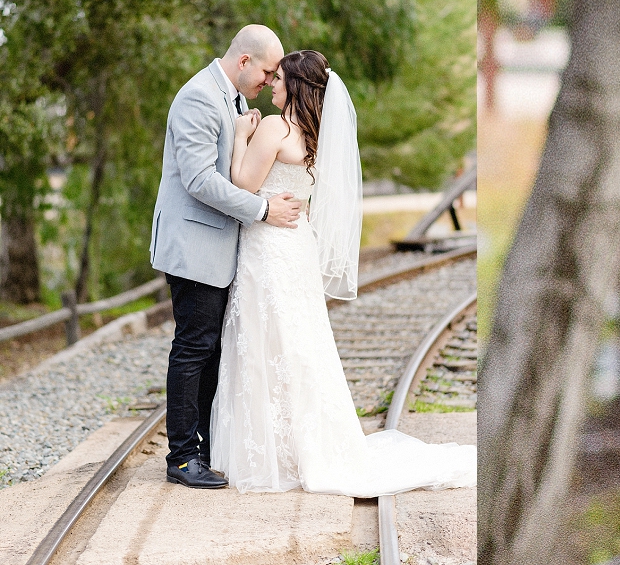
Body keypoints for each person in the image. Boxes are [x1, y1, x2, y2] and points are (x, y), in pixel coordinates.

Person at [214, 49, 477, 495]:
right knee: (298, 345)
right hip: (296, 248)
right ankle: (303, 446)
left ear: (294, 85)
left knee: (263, 340)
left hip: (267, 249)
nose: (272, 85)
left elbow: (243, 187)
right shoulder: (318, 137)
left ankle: (273, 452)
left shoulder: (275, 128)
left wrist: (240, 135)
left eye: (278, 79)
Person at [149, 26, 303, 490]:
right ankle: (181, 458)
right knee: (194, 348)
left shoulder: (234, 101)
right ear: (243, 62)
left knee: (213, 350)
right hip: (195, 246)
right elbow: (199, 180)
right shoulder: (197, 98)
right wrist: (262, 210)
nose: (269, 81)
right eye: (267, 72)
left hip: (220, 247)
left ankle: (210, 446)